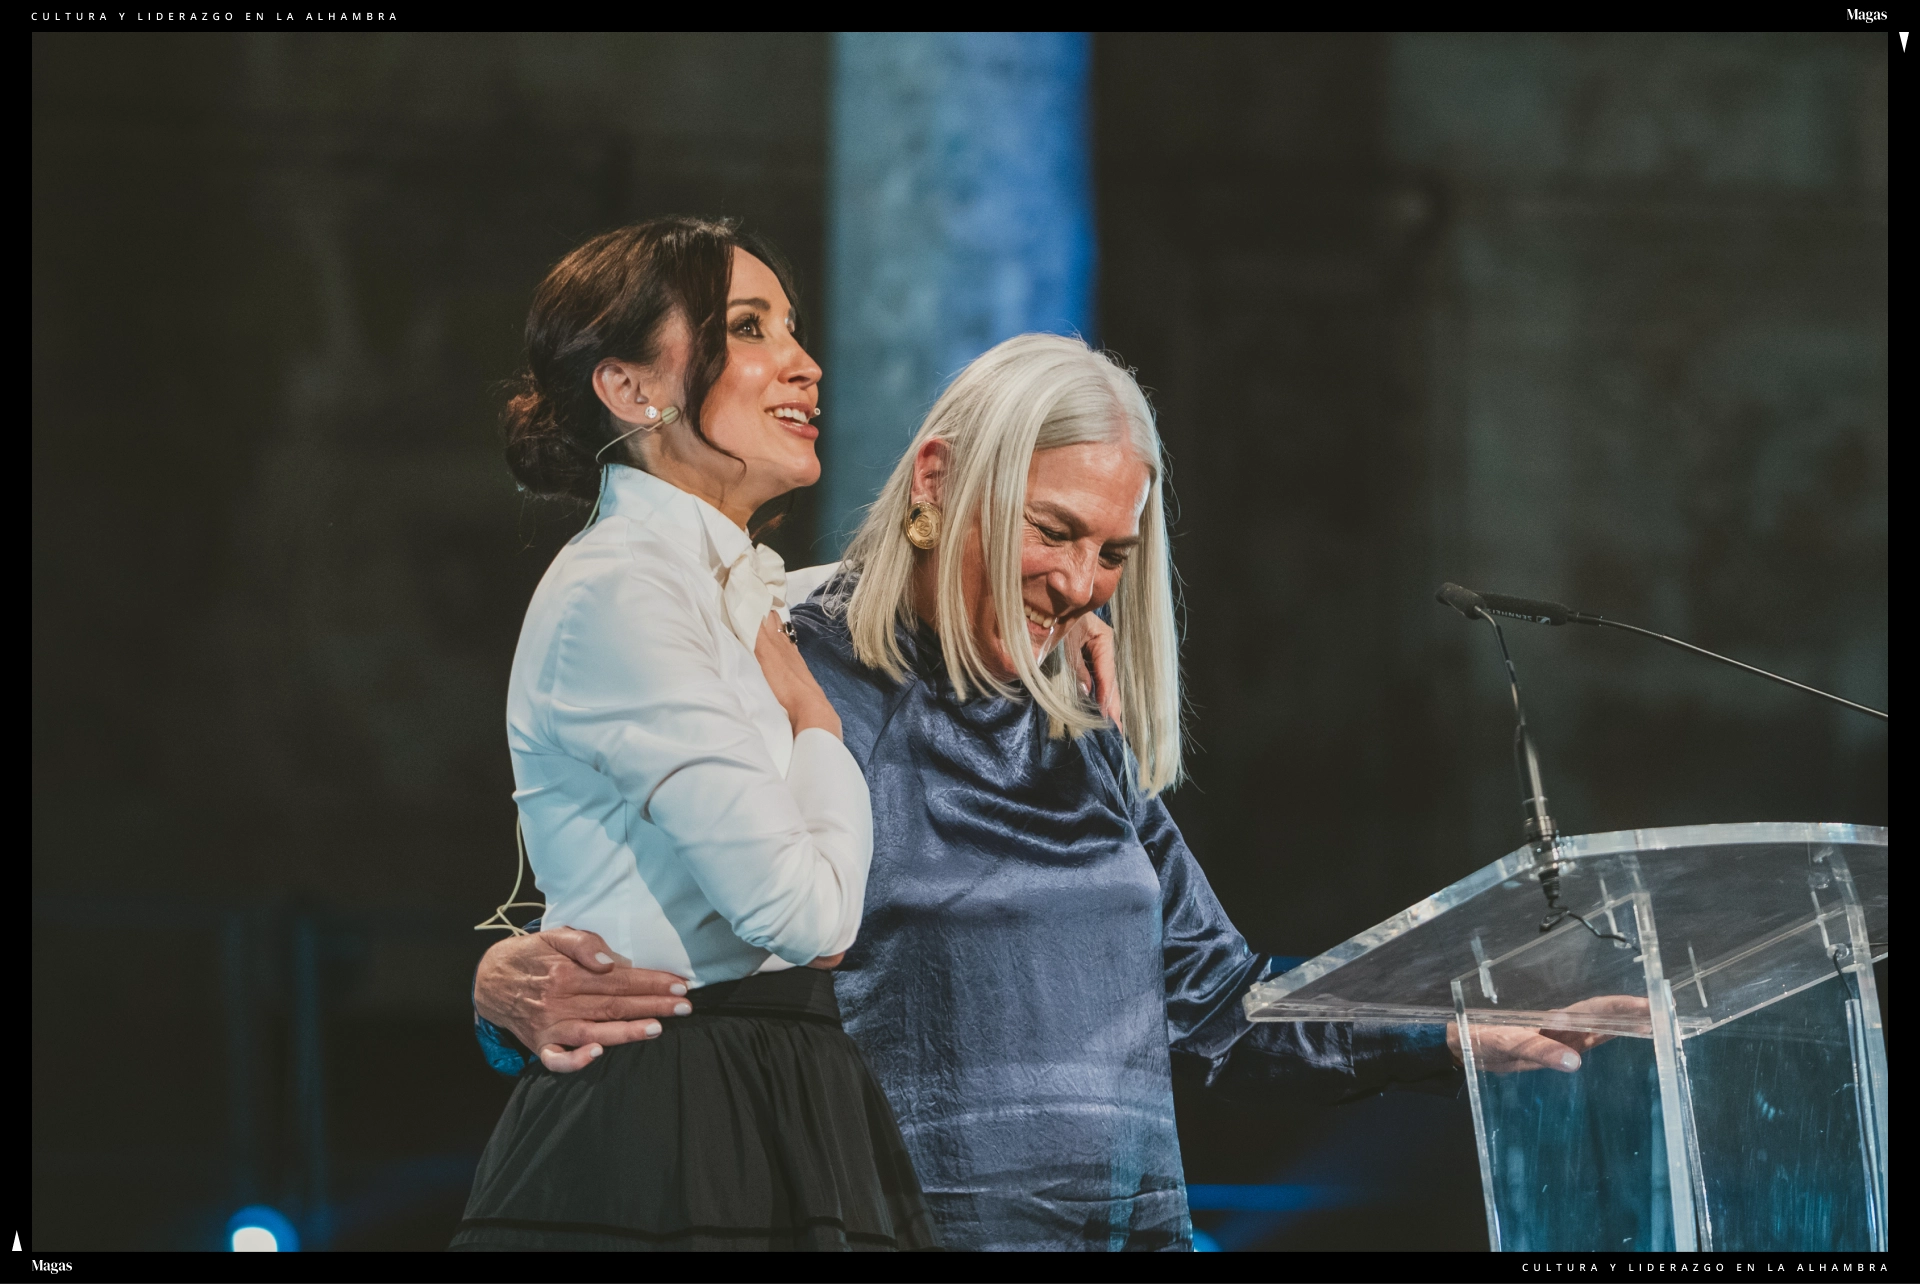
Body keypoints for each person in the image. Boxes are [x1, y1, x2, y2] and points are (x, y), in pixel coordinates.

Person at [476, 332, 1633, 1250]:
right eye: (1053, 532)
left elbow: (1219, 1006)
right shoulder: (782, 662)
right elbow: (624, 922)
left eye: (1115, 554)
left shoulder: (1075, 719)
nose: (1083, 586)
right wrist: (495, 987)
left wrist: (1446, 1023)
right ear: (938, 477)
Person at [452, 216, 936, 1251]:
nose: (804, 365)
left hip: (790, 1098)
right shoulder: (622, 589)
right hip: (671, 1118)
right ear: (631, 388)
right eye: (749, 329)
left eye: (793, 330)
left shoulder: (748, 593)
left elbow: (932, 594)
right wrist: (817, 727)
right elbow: (804, 917)